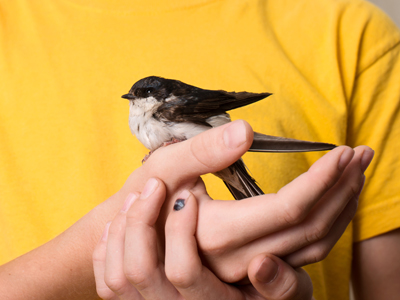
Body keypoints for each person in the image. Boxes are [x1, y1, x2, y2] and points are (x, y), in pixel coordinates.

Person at [0, 0, 399, 299]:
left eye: (142, 95)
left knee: (239, 181)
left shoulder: (348, 29)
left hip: (212, 126)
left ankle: (249, 194)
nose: (135, 100)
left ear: (157, 95)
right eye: (135, 96)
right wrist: (105, 243)